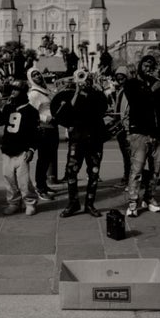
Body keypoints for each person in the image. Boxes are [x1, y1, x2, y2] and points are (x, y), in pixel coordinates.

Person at [56, 71, 108, 217]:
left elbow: (102, 109)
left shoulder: (97, 94)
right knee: (71, 171)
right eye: (80, 76)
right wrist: (77, 91)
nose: (84, 80)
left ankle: (89, 204)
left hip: (94, 138)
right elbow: (67, 111)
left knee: (94, 172)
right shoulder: (72, 94)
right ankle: (73, 203)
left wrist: (95, 89)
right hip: (77, 139)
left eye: (86, 77)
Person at [120, 55, 160, 216]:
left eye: (151, 66)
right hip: (139, 132)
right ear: (140, 67)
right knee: (137, 170)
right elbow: (137, 102)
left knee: (155, 170)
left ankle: (149, 198)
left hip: (158, 132)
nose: (148, 69)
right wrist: (152, 90)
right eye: (146, 66)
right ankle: (133, 202)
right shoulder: (131, 84)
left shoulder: (158, 83)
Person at [0, 80, 40, 215]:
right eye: (12, 89)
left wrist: (31, 149)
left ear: (23, 92)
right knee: (9, 178)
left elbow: (35, 133)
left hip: (22, 150)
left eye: (16, 90)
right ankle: (14, 202)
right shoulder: (8, 107)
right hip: (7, 149)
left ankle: (30, 202)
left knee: (24, 181)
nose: (12, 92)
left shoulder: (31, 111)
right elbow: (0, 122)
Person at [27, 67, 60, 199]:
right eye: (34, 75)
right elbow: (31, 113)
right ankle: (40, 188)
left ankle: (44, 185)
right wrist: (47, 118)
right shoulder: (34, 94)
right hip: (44, 128)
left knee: (49, 158)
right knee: (43, 159)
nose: (37, 77)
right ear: (30, 78)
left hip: (52, 127)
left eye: (38, 74)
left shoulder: (44, 90)